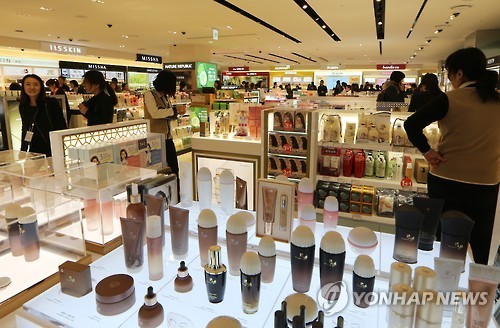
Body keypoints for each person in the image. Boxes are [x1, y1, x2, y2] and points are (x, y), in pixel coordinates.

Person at [404, 47, 500, 265]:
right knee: (480, 240)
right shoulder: (497, 101)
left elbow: (411, 124)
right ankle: (477, 290)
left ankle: (441, 284)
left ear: (459, 73)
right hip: (487, 181)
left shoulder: (450, 99)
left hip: (447, 178)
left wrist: (427, 152)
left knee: (444, 236)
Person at [143, 69, 186, 196]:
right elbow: (155, 113)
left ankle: (175, 195)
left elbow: (166, 115)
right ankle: (161, 196)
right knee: (159, 171)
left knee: (174, 169)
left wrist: (175, 113)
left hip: (168, 138)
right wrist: (174, 111)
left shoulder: (165, 97)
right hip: (155, 141)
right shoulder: (149, 95)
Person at [19, 74, 67, 156]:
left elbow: (61, 126)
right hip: (34, 149)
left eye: (36, 84)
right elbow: (25, 128)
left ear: (41, 87)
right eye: (28, 84)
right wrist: (23, 150)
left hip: (53, 148)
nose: (32, 87)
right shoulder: (23, 106)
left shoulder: (51, 103)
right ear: (23, 87)